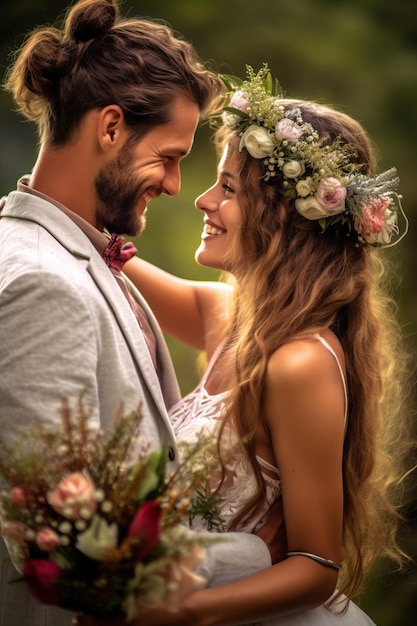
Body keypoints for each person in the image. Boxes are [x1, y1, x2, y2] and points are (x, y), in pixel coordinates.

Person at [80, 65, 411, 625]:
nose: (202, 200)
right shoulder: (226, 316)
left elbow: (314, 565)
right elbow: (109, 257)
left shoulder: (300, 363)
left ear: (283, 217)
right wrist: (35, 209)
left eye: (228, 187)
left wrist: (183, 612)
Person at [0, 4, 280, 625]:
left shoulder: (82, 258)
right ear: (110, 128)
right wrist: (260, 554)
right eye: (171, 156)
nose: (178, 186)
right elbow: (60, 546)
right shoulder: (41, 282)